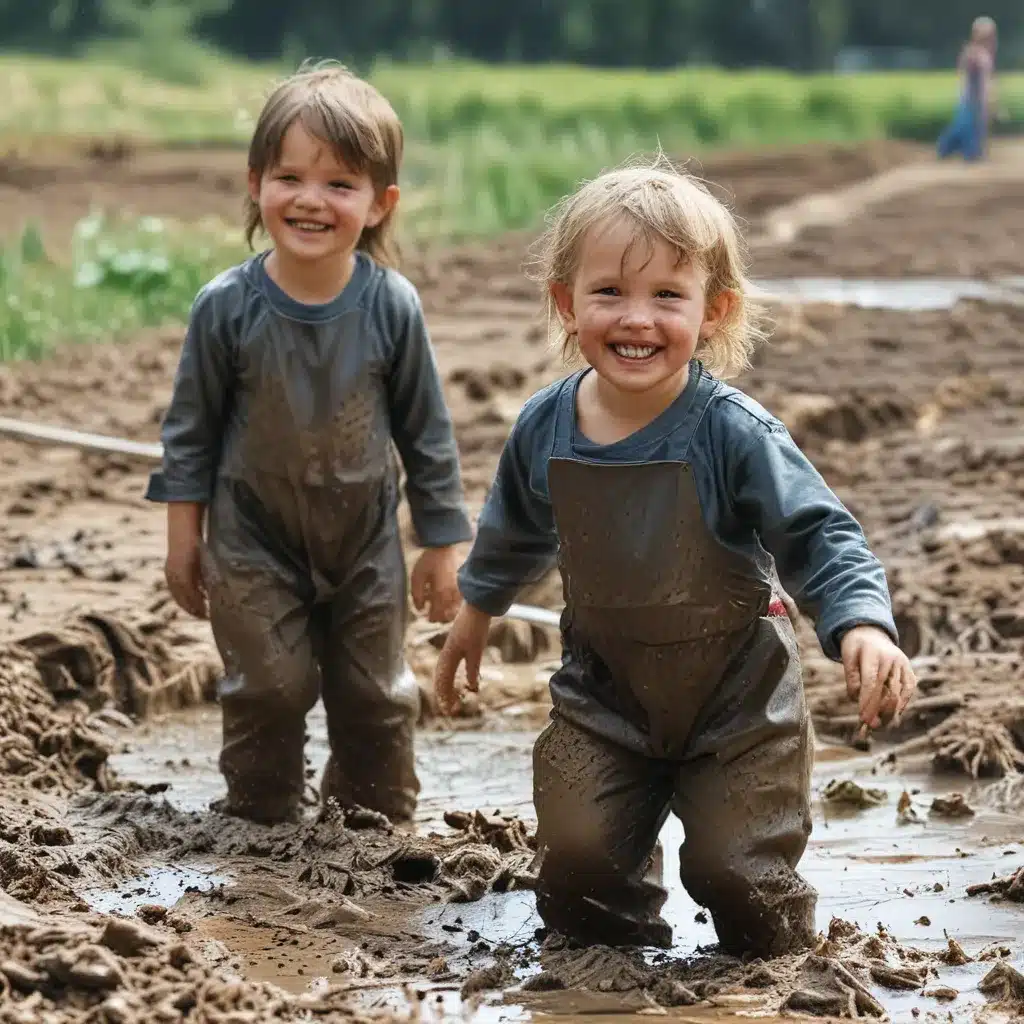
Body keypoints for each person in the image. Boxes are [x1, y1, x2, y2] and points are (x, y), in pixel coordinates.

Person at [434, 160, 916, 957]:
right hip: (603, 694)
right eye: (610, 293)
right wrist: (473, 617)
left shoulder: (733, 431)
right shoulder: (543, 427)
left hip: (738, 700)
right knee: (579, 868)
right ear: (565, 303)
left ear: (714, 312)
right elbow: (512, 529)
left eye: (667, 296)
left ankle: (772, 973)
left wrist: (861, 624)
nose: (637, 319)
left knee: (740, 875)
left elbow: (820, 532)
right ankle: (615, 979)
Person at [146, 62, 473, 827]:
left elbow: (427, 434)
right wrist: (181, 540)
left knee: (375, 693)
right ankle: (260, 818)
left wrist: (441, 545)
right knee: (270, 684)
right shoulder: (226, 308)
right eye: (290, 176)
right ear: (256, 183)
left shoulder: (393, 307)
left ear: (380, 203)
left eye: (340, 184)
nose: (311, 200)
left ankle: (374, 823)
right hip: (252, 540)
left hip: (365, 545)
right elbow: (188, 432)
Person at [938, 16, 998, 162]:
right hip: (971, 103)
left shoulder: (976, 54)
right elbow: (979, 81)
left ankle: (957, 152)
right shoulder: (978, 55)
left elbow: (980, 80)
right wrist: (986, 104)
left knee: (967, 134)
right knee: (967, 138)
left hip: (971, 102)